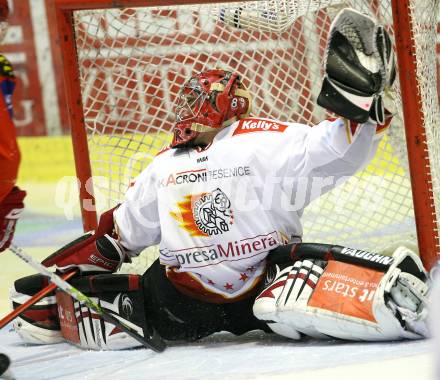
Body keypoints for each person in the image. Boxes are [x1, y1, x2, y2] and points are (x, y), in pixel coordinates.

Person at [10, 8, 429, 350]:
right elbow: (115, 239)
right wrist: (56, 277)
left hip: (264, 284)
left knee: (289, 285)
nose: (188, 107)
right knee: (116, 297)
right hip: (181, 303)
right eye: (187, 99)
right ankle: (49, 311)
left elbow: (338, 148)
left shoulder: (262, 139)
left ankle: (370, 290)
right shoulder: (164, 164)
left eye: (198, 98)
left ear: (225, 103)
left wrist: (361, 105)